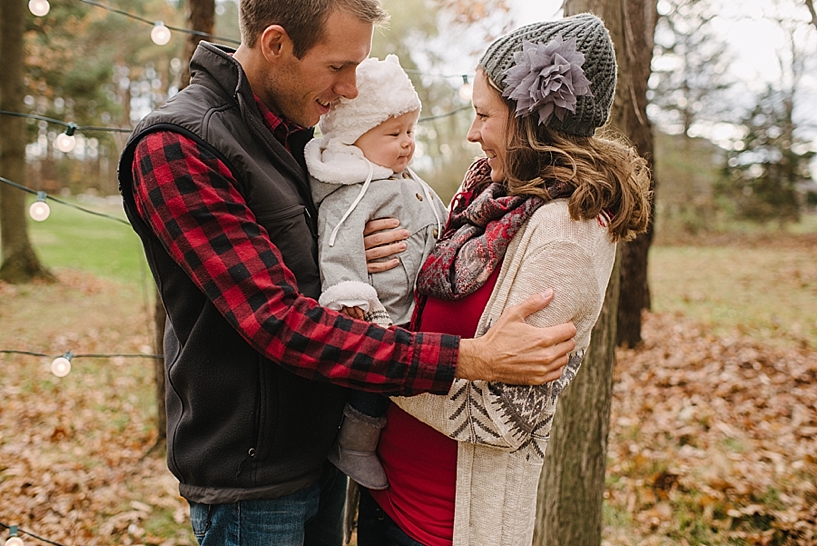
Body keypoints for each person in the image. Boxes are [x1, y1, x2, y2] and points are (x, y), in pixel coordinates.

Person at [116, 1, 578, 544]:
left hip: (326, 450)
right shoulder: (179, 148)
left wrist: (367, 242)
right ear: (275, 44)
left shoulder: (298, 134)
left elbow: (316, 246)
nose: (352, 89)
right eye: (338, 68)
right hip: (253, 480)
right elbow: (277, 321)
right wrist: (471, 358)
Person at [357, 12, 652, 546]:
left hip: (445, 523)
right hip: (387, 494)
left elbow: (503, 416)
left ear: (530, 119)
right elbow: (427, 302)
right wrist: (373, 247)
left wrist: (370, 359)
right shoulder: (487, 201)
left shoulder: (568, 233)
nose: (472, 133)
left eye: (483, 116)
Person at [306, 54, 448, 491]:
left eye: (410, 131)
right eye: (393, 133)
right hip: (380, 314)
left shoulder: (407, 180)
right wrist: (352, 299)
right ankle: (355, 446)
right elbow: (338, 249)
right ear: (355, 137)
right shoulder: (351, 194)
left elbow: (440, 216)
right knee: (371, 391)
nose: (407, 143)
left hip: (414, 306)